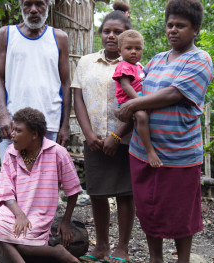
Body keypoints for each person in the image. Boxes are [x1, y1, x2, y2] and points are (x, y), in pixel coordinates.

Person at [116, 0, 214, 262]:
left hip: (179, 153)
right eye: (170, 25)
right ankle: (155, 258)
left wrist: (133, 104)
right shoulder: (157, 59)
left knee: (181, 212)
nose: (173, 30)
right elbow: (137, 87)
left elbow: (172, 94)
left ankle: (183, 259)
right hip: (142, 151)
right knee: (150, 208)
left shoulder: (200, 60)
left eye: (180, 26)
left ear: (195, 29)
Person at [71, 2, 135, 263]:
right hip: (95, 140)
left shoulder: (134, 63)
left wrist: (117, 135)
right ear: (100, 34)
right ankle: (101, 246)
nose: (111, 35)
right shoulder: (86, 62)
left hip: (126, 140)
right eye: (107, 30)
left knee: (125, 194)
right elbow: (78, 98)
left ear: (126, 34)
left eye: (118, 31)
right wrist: (88, 134)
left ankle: (122, 248)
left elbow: (138, 103)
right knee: (97, 193)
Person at [0, 107, 82, 263]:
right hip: (15, 210)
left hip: (40, 213)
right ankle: (52, 254)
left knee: (24, 246)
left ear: (34, 134)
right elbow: (5, 191)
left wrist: (66, 221)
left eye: (18, 131)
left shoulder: (58, 153)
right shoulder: (11, 154)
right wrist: (19, 215)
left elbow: (72, 190)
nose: (12, 135)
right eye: (13, 130)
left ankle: (59, 253)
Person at [0, 0, 71, 162]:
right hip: (13, 125)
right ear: (21, 5)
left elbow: (66, 84)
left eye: (39, 4)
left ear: (48, 5)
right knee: (12, 181)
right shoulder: (6, 34)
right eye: (28, 4)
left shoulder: (59, 37)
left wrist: (65, 125)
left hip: (49, 125)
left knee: (45, 182)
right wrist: (3, 116)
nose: (34, 10)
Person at [112, 29, 162, 168]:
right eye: (129, 48)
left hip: (137, 99)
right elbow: (126, 86)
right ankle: (149, 150)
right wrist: (140, 103)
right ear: (119, 51)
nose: (133, 51)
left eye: (138, 48)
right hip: (128, 101)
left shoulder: (139, 66)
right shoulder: (123, 66)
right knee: (141, 117)